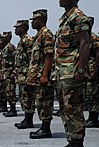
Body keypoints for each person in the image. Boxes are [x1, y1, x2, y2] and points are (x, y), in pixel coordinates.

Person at [55, 0, 91, 146]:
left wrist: (81, 69)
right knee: (65, 109)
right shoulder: (66, 18)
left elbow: (85, 43)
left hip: (72, 71)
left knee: (73, 108)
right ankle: (72, 139)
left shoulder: (79, 18)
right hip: (62, 71)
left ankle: (77, 142)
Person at [27, 9, 54, 139]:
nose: (32, 22)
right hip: (36, 76)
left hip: (42, 76)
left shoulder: (46, 34)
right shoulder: (38, 35)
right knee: (40, 102)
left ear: (41, 20)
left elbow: (49, 55)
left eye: (34, 20)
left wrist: (44, 75)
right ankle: (44, 128)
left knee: (45, 102)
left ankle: (45, 129)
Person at [13, 20, 34, 129]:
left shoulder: (27, 40)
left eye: (18, 27)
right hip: (21, 75)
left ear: (24, 28)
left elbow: (31, 58)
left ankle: (29, 120)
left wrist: (30, 74)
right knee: (23, 97)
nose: (15, 29)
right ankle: (27, 118)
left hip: (26, 75)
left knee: (27, 97)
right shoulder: (22, 41)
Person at [0, 31, 17, 117]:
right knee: (6, 91)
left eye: (4, 37)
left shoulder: (11, 47)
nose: (2, 39)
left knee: (10, 91)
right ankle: (8, 108)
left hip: (10, 73)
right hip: (4, 73)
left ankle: (13, 109)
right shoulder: (4, 48)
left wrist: (14, 71)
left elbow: (15, 60)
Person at [84, 17, 99, 128]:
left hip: (93, 69)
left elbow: (98, 54)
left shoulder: (93, 37)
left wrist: (95, 71)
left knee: (93, 94)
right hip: (86, 70)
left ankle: (94, 118)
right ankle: (90, 117)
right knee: (88, 95)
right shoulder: (85, 37)